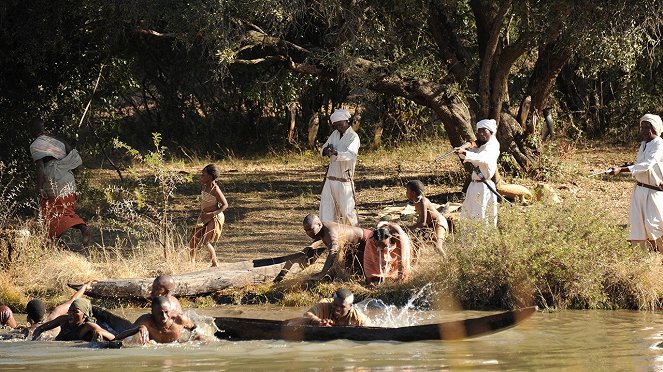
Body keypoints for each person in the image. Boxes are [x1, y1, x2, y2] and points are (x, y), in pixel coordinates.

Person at [29, 117, 91, 245]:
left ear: (32, 131)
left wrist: (39, 187)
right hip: (67, 177)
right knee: (66, 211)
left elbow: (40, 167)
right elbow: (71, 152)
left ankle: (51, 242)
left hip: (53, 178)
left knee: (49, 210)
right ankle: (81, 229)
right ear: (43, 128)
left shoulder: (35, 145)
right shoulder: (56, 140)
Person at [608, 114, 663, 251]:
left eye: (648, 127)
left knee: (654, 224)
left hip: (654, 191)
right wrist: (623, 167)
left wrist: (622, 169)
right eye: (643, 127)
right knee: (638, 226)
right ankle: (643, 257)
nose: (645, 130)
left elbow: (647, 165)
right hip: (640, 190)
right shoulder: (643, 144)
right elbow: (640, 164)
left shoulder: (659, 144)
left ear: (655, 128)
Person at [455, 118, 501, 227]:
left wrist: (465, 153)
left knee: (482, 217)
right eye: (479, 131)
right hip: (474, 185)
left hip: (484, 187)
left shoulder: (493, 145)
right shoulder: (481, 146)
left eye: (483, 131)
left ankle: (482, 242)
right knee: (468, 215)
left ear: (490, 131)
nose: (480, 134)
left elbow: (482, 158)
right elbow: (471, 156)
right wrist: (463, 149)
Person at [320, 108, 360, 226]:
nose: (339, 127)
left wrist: (336, 153)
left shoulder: (354, 137)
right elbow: (323, 148)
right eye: (336, 125)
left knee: (347, 212)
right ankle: (328, 236)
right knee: (327, 211)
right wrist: (326, 151)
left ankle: (353, 239)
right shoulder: (335, 134)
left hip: (344, 180)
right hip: (331, 178)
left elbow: (350, 155)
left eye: (340, 124)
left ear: (347, 121)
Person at [303, 214, 371, 281]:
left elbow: (333, 251)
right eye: (306, 230)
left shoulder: (330, 232)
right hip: (353, 247)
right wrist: (311, 247)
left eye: (311, 229)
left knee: (368, 273)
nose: (308, 233)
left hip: (366, 241)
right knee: (351, 272)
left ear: (319, 225)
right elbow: (319, 237)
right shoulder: (321, 228)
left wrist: (322, 273)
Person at [189, 164, 228, 267]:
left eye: (203, 174)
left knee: (206, 241)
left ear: (210, 177)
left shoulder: (215, 190)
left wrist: (212, 214)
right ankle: (192, 262)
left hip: (214, 217)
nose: (201, 176)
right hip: (204, 216)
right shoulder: (204, 185)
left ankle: (214, 262)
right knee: (193, 238)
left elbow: (225, 205)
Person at [25, 280, 96, 337]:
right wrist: (84, 286)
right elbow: (73, 300)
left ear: (28, 318)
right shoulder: (55, 314)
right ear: (45, 310)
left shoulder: (29, 330)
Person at [114, 296, 197, 344]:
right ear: (152, 313)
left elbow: (196, 330)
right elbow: (118, 337)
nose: (164, 316)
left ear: (170, 310)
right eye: (160, 313)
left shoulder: (180, 320)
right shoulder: (146, 321)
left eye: (166, 312)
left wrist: (198, 339)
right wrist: (138, 328)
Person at [32, 298, 115, 341]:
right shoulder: (63, 320)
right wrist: (34, 340)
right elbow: (41, 328)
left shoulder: (87, 326)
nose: (71, 314)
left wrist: (99, 333)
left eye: (75, 311)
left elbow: (113, 337)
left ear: (85, 315)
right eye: (70, 310)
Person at [405, 180, 449, 255]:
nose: (406, 193)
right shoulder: (416, 201)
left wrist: (408, 228)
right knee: (415, 243)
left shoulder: (423, 202)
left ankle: (447, 264)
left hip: (439, 223)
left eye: (407, 190)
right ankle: (414, 262)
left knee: (437, 247)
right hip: (430, 225)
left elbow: (422, 222)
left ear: (413, 193)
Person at [287, 288, 367, 327]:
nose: (338, 309)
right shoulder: (324, 305)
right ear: (332, 302)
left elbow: (369, 327)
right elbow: (307, 314)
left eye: (342, 307)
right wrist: (318, 321)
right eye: (335, 305)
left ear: (350, 307)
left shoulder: (358, 317)